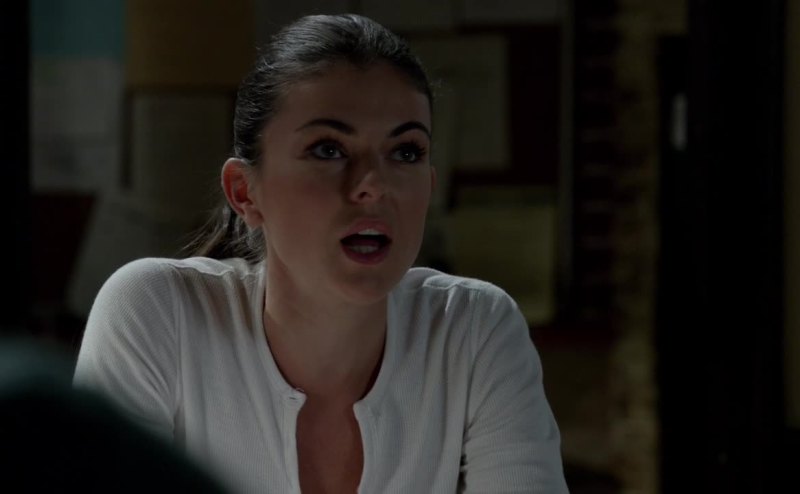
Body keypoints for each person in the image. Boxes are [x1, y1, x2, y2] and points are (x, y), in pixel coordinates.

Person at [73, 13, 568, 494]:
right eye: (328, 150)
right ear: (245, 191)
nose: (373, 184)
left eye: (406, 152)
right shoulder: (157, 311)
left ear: (430, 186)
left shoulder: (474, 328)